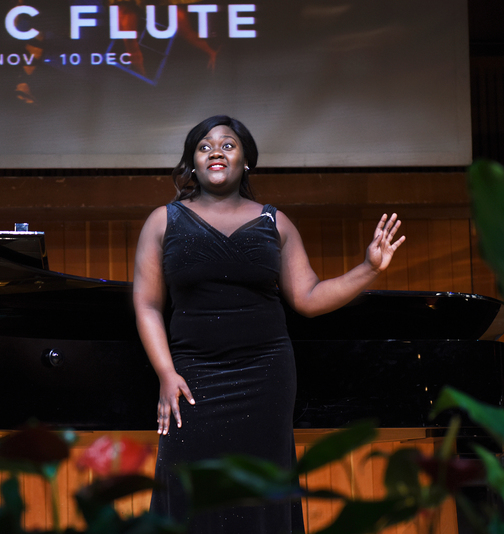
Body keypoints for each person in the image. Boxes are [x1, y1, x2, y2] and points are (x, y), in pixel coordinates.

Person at [132, 115, 405, 533]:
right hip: (192, 379)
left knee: (260, 490)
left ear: (246, 163)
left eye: (228, 145)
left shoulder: (275, 224)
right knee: (191, 492)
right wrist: (166, 373)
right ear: (192, 165)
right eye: (204, 147)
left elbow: (309, 298)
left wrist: (368, 268)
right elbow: (148, 305)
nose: (216, 152)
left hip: (265, 377)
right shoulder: (162, 221)